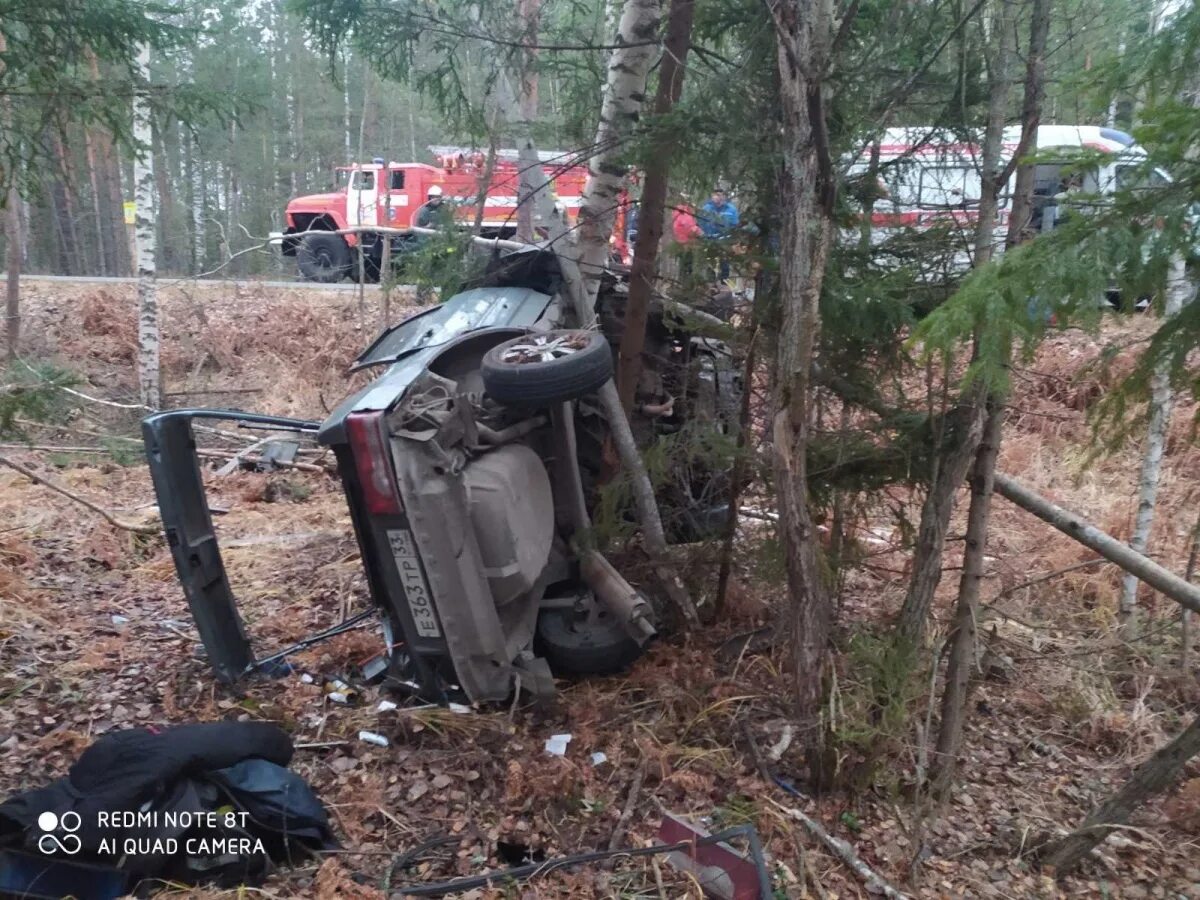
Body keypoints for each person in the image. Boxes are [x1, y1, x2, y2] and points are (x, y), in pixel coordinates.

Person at [699, 187, 739, 280]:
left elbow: (735, 224)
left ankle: (724, 281)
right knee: (710, 262)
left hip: (725, 239)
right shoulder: (706, 208)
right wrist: (704, 234)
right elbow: (701, 223)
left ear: (724, 196)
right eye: (715, 195)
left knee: (724, 262)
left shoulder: (731, 209)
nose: (717, 197)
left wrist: (732, 237)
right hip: (709, 239)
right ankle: (710, 282)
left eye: (720, 195)